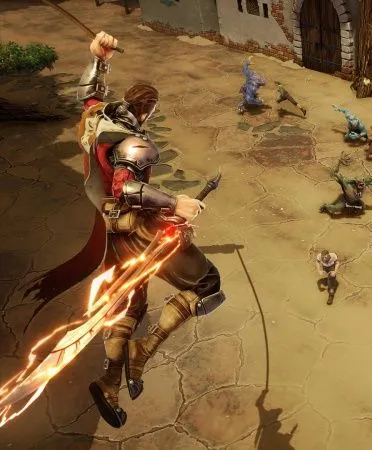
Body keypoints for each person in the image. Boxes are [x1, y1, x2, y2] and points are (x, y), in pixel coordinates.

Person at [23, 32, 225, 428]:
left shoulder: (100, 118)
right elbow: (126, 189)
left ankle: (110, 383)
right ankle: (144, 349)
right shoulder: (134, 143)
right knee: (207, 284)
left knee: (131, 303)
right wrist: (175, 204)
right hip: (137, 228)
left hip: (112, 231)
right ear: (148, 110)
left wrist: (98, 59)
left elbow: (88, 94)